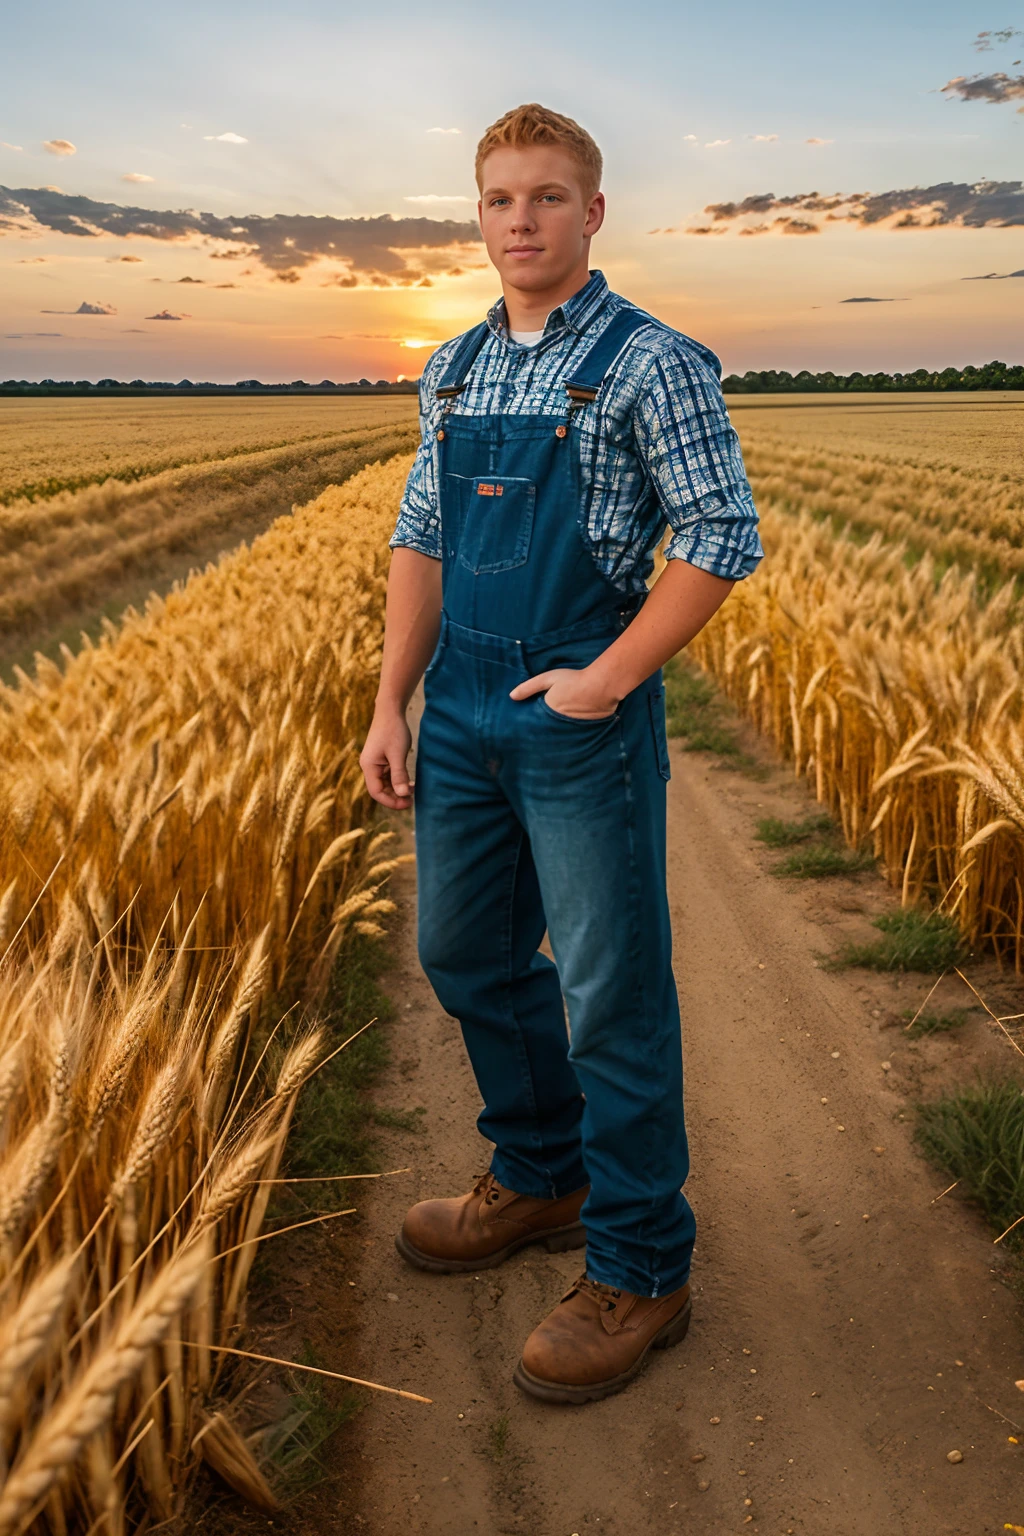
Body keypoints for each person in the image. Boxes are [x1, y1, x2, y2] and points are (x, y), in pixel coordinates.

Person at [359, 102, 762, 1404]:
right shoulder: (456, 368)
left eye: (545, 197)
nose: (519, 220)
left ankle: (644, 1263)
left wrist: (606, 680)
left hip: (574, 708)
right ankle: (542, 1174)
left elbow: (719, 536)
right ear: (477, 217)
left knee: (611, 990)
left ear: (594, 212)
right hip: (462, 708)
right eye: (498, 200)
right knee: (463, 952)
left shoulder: (653, 362)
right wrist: (392, 704)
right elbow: (419, 540)